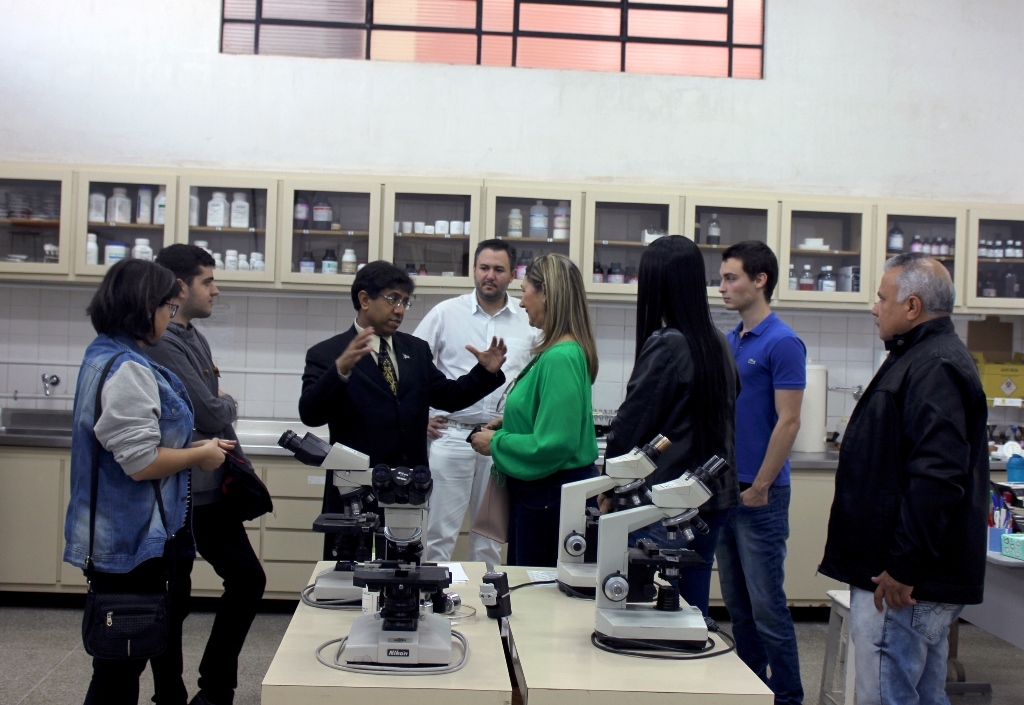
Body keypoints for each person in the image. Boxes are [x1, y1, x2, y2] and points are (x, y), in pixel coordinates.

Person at [819, 254, 988, 705]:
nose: (875, 307)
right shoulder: (920, 356)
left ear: (911, 306)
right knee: (922, 692)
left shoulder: (934, 365)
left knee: (886, 695)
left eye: (881, 298)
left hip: (900, 581)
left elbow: (937, 476)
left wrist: (904, 566)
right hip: (906, 572)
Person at [63, 259, 233, 705]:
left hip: (125, 537)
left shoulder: (104, 352)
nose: (170, 317)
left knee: (123, 658)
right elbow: (140, 461)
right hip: (130, 539)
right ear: (145, 307)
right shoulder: (128, 369)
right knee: (119, 666)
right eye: (167, 308)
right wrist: (201, 453)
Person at [299, 260, 508, 559]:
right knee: (349, 583)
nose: (400, 309)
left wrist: (484, 373)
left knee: (404, 576)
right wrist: (340, 371)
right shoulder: (327, 354)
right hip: (354, 491)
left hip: (407, 489)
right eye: (392, 299)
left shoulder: (416, 350)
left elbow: (448, 396)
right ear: (364, 299)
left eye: (405, 301)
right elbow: (310, 414)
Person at [148, 244, 265, 705]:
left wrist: (217, 404)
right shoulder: (162, 341)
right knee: (173, 599)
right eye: (208, 281)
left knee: (247, 580)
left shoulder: (193, 335)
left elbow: (210, 407)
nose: (216, 290)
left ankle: (215, 688)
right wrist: (225, 403)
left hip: (212, 489)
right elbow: (213, 410)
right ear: (179, 286)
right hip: (180, 491)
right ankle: (169, 695)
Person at [606, 235, 739, 617]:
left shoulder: (667, 344)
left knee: (651, 611)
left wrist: (610, 486)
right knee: (690, 608)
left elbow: (629, 427)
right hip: (712, 499)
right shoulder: (718, 341)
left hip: (664, 505)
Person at [716, 241, 805, 705]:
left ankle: (788, 696)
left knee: (768, 608)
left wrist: (762, 486)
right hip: (728, 491)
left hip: (761, 494)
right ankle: (751, 690)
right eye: (723, 277)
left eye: (732, 277)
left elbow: (788, 421)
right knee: (739, 609)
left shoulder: (782, 341)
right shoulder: (731, 341)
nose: (723, 286)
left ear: (760, 280)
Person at [414, 239, 539, 567]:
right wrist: (419, 416)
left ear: (512, 274)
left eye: (499, 269)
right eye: (484, 267)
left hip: (501, 440)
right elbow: (412, 366)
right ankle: (430, 604)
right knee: (440, 533)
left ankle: (488, 608)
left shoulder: (527, 320)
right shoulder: (445, 313)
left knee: (489, 538)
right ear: (473, 270)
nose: (490, 275)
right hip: (450, 437)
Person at [470, 253, 599, 567]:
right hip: (544, 496)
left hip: (550, 498)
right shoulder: (557, 352)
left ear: (546, 294)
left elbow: (555, 442)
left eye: (526, 290)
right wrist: (511, 421)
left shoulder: (561, 356)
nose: (522, 301)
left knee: (538, 596)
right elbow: (547, 414)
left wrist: (495, 443)